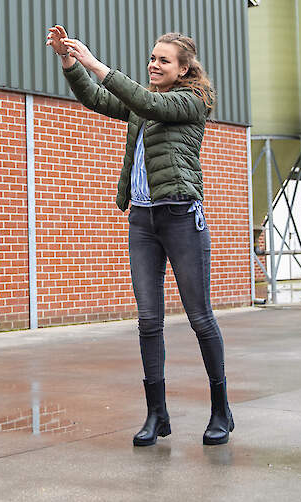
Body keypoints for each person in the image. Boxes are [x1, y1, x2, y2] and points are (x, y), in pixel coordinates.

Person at [46, 25, 234, 446]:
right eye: (152, 58)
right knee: (149, 321)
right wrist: (68, 61)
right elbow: (98, 98)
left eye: (163, 60)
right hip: (143, 221)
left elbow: (145, 101)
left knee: (199, 317)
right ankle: (157, 415)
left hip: (181, 216)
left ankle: (221, 409)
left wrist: (95, 62)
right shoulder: (142, 104)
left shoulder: (191, 101)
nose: (153, 64)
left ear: (184, 69)